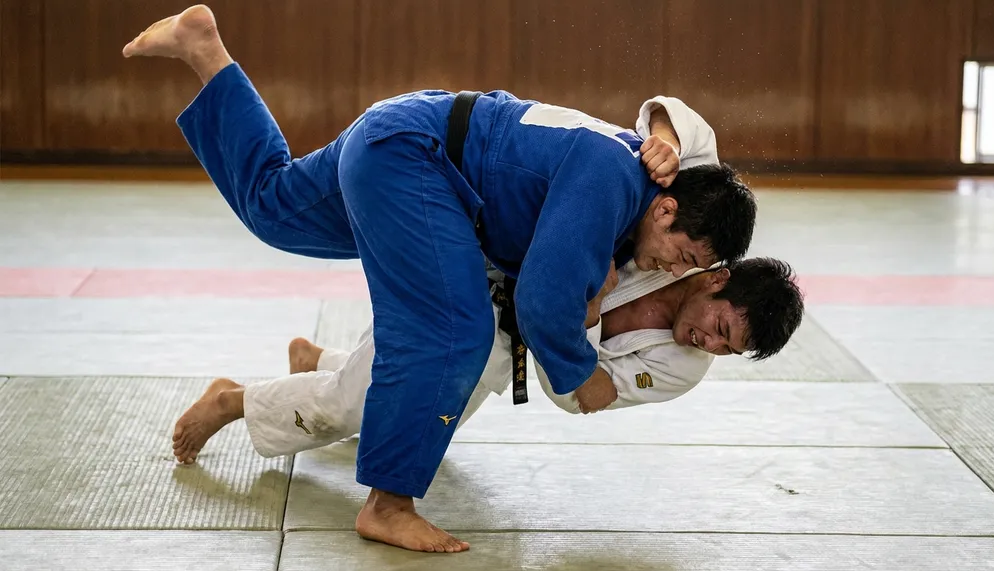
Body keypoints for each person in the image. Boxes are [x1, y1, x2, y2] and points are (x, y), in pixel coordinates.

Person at [122, 4, 757, 554]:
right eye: (682, 255)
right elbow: (541, 301)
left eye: (690, 269)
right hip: (419, 160)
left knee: (275, 209)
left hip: (407, 137)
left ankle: (205, 50)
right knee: (454, 329)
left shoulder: (657, 192)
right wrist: (577, 369)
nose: (674, 268)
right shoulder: (623, 182)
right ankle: (388, 506)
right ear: (667, 207)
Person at [174, 257, 803, 473]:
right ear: (715, 277)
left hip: (509, 356)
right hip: (481, 289)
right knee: (356, 409)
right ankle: (234, 399)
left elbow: (581, 397)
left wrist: (580, 311)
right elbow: (683, 133)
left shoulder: (687, 370)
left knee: (403, 427)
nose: (708, 345)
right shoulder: (669, 245)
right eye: (720, 328)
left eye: (728, 349)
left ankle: (323, 362)